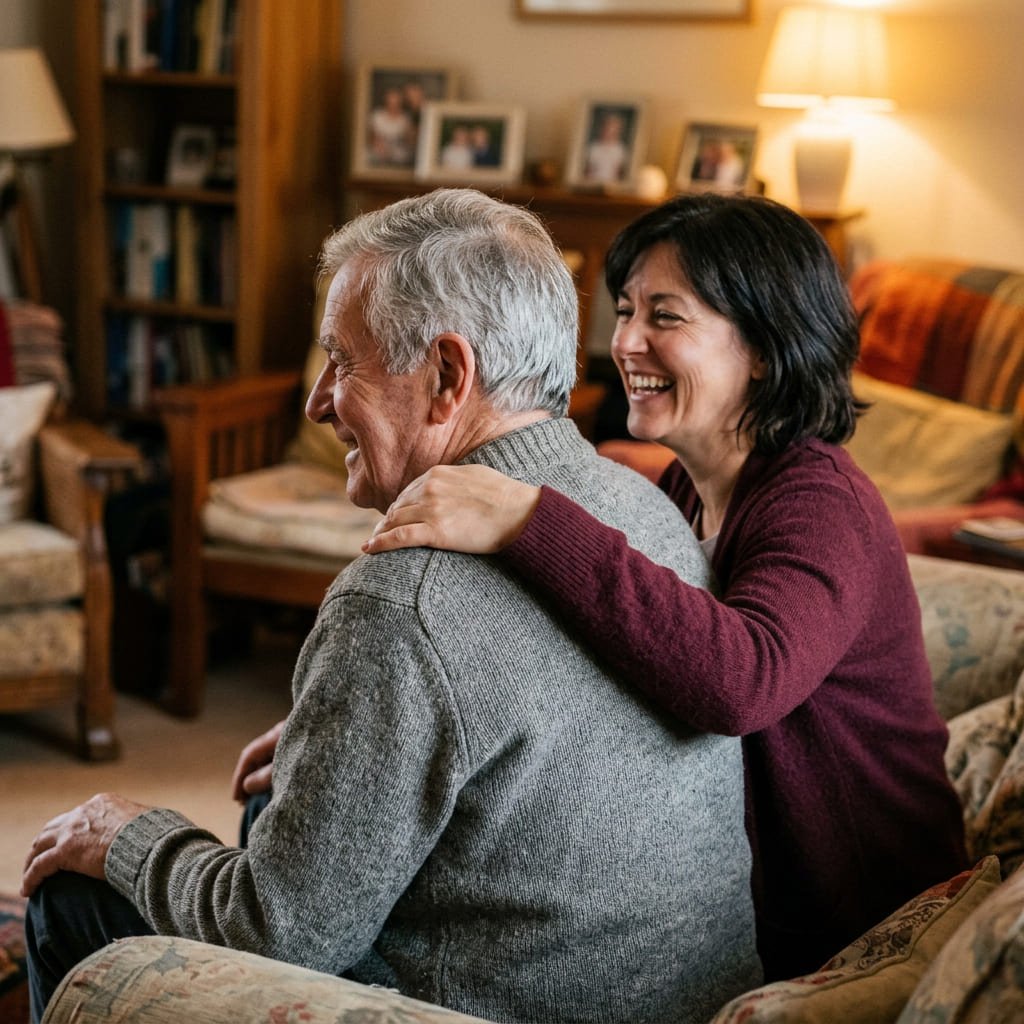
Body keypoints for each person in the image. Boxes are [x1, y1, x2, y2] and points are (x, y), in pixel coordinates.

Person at [22, 188, 761, 1024]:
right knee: (276, 802)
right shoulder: (644, 506)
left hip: (488, 1007)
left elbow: (277, 935)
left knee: (73, 900)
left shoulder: (401, 597)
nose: (318, 400)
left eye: (344, 360)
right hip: (682, 997)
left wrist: (126, 833)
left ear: (448, 376)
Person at [362, 191, 971, 981]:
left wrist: (529, 519)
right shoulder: (691, 486)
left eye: (666, 316)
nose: (625, 342)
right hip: (755, 900)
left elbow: (739, 682)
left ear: (764, 343)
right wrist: (384, 736)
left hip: (857, 933)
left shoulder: (822, 502)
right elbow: (635, 648)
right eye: (623, 311)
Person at [584, 111, 630, 183]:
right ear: (602, 129)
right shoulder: (593, 147)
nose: (609, 133)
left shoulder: (620, 149)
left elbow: (620, 172)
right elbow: (587, 170)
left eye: (613, 130)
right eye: (607, 128)